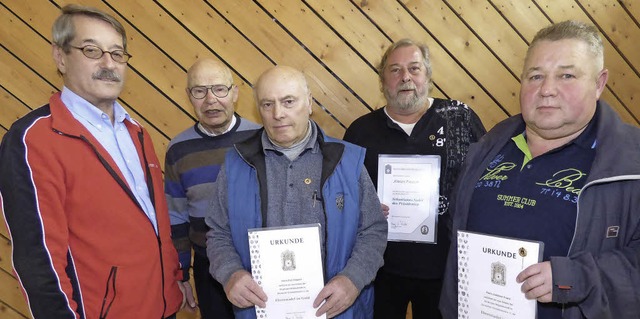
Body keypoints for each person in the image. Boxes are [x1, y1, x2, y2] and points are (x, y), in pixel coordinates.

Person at [440, 20, 640, 319]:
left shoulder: (631, 162)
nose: (547, 90)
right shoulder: (485, 148)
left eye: (567, 75)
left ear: (599, 83)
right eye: (535, 76)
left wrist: (577, 276)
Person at [0, 4, 186, 318]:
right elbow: (38, 260)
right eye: (92, 50)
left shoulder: (136, 132)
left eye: (117, 53)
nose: (108, 64)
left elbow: (154, 223)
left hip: (162, 308)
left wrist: (174, 280)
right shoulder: (32, 139)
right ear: (60, 56)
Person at [205, 65, 388, 319]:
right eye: (267, 105)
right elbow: (218, 233)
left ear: (310, 103)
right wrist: (229, 273)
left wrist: (353, 280)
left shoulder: (347, 160)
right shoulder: (235, 163)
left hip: (338, 311)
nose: (278, 113)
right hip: (261, 311)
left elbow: (373, 229)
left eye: (288, 101)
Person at [343, 38, 486, 318]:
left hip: (446, 269)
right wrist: (364, 208)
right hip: (380, 271)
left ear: (427, 75)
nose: (405, 77)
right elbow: (346, 198)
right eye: (395, 70)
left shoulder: (460, 119)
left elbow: (484, 184)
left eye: (414, 68)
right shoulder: (360, 132)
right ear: (383, 81)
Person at [165, 58, 260, 318]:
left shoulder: (261, 140)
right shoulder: (178, 149)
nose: (210, 100)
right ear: (189, 96)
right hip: (208, 268)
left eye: (219, 89)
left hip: (260, 265)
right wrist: (182, 273)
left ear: (235, 93)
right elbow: (176, 216)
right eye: (199, 91)